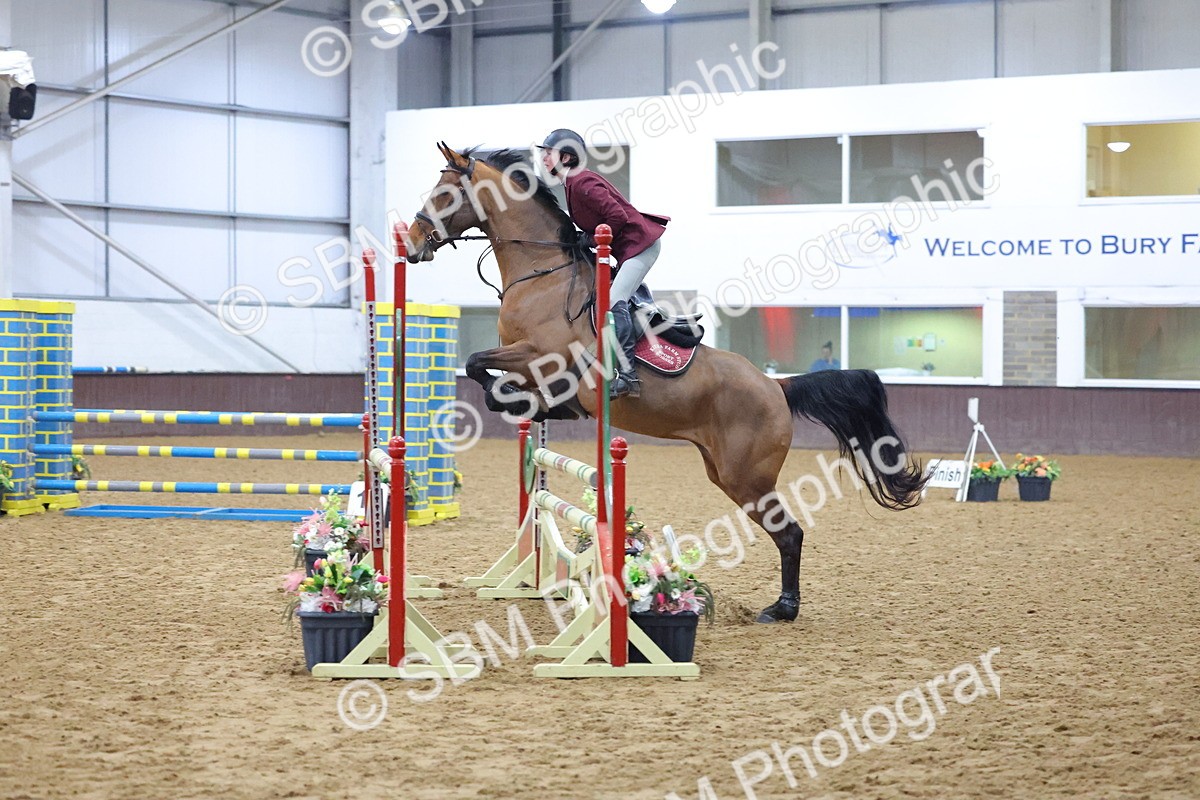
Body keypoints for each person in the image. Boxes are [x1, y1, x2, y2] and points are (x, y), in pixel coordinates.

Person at [537, 129, 670, 399]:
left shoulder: (582, 182)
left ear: (565, 156)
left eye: (548, 153)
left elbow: (617, 216)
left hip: (640, 246)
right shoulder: (572, 184)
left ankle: (629, 375)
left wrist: (588, 238)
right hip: (631, 248)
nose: (544, 157)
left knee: (612, 302)